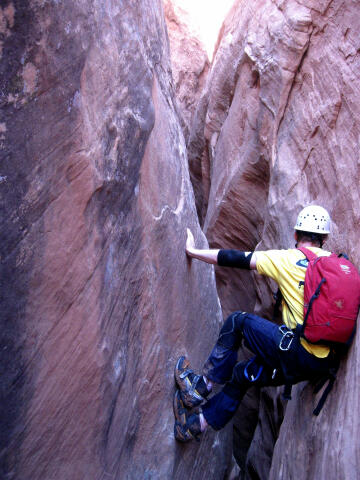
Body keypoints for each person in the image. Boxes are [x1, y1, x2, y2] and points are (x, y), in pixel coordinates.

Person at [173, 205, 339, 442]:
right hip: (320, 365)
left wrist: (193, 251)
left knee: (238, 322)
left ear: (295, 235)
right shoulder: (335, 265)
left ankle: (198, 389)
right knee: (243, 373)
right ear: (324, 239)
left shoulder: (286, 259)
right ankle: (194, 426)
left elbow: (234, 258)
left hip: (296, 352)